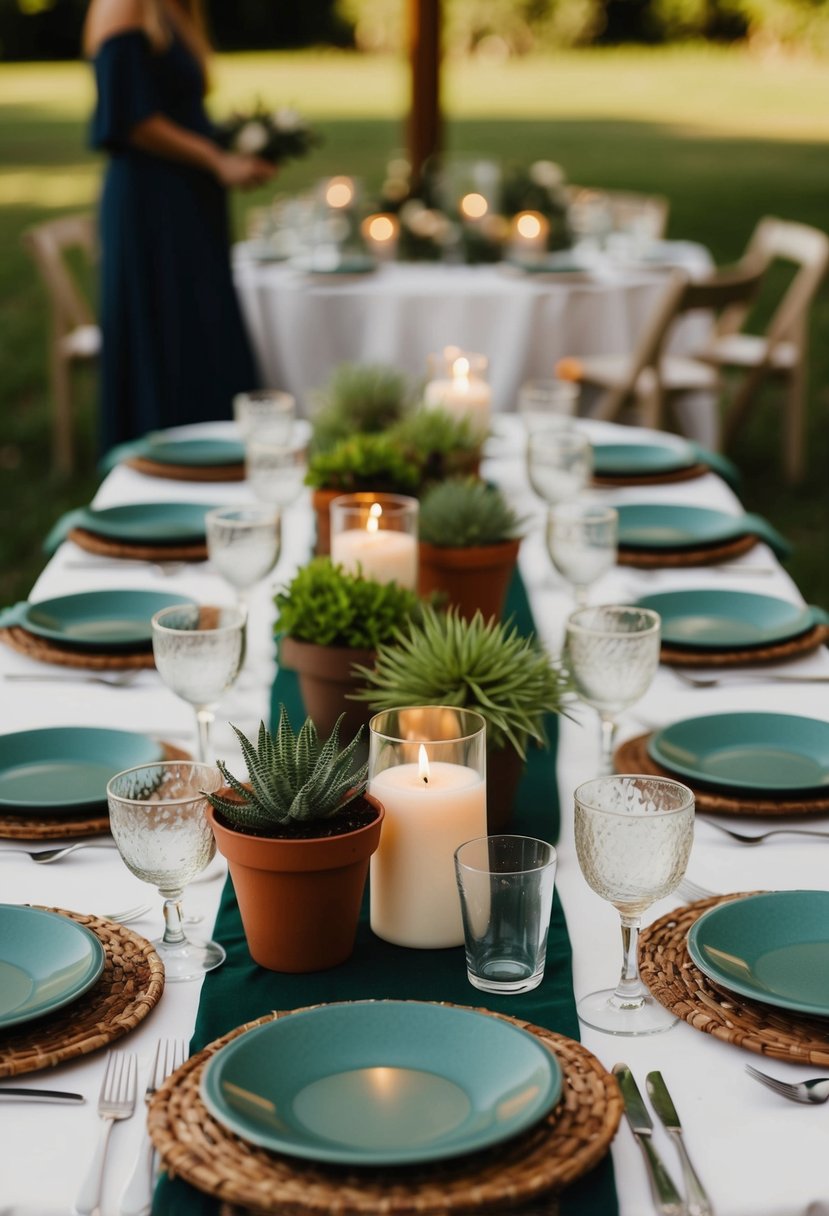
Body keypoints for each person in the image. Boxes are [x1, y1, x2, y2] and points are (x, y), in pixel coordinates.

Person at [83, 0, 276, 452]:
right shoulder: (124, 6)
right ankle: (163, 453)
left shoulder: (178, 10)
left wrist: (241, 147)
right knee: (165, 329)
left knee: (201, 330)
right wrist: (216, 160)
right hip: (151, 206)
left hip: (189, 203)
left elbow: (180, 110)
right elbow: (130, 120)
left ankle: (217, 450)